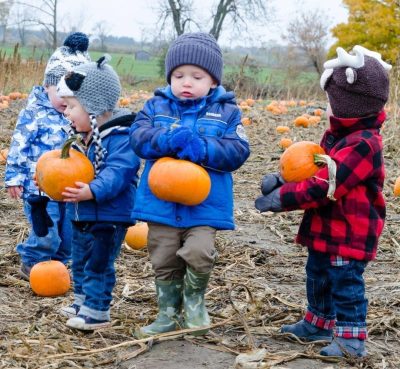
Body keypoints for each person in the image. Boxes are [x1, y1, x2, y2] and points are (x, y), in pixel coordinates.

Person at [255, 45, 391, 357]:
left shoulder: (364, 145)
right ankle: (318, 323)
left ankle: (350, 340)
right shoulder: (339, 137)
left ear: (350, 105)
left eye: (331, 102)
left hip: (349, 232)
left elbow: (325, 185)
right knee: (317, 275)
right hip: (327, 229)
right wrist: (283, 179)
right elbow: (313, 167)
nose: (327, 109)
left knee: (345, 284)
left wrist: (282, 199)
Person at [130, 32, 250, 338]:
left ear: (212, 81)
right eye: (179, 75)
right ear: (169, 77)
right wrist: (166, 139)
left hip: (204, 204)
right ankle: (167, 312)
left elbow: (238, 151)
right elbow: (138, 138)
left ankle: (194, 301)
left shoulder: (227, 112)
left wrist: (204, 148)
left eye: (197, 76)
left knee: (199, 251)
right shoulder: (155, 107)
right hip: (162, 203)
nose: (186, 82)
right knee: (163, 256)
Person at [54, 55, 140, 331]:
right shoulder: (82, 139)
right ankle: (82, 301)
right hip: (82, 211)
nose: (66, 112)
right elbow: (64, 169)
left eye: (71, 106)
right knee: (79, 261)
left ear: (92, 107)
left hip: (109, 216)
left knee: (98, 264)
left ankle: (97, 310)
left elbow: (118, 172)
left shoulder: (121, 137)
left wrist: (93, 190)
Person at [5, 32, 91, 280]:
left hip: (70, 189)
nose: (66, 100)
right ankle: (32, 260)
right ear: (47, 86)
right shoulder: (34, 112)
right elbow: (19, 144)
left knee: (67, 236)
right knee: (47, 233)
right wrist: (13, 177)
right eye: (60, 92)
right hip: (40, 188)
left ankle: (57, 268)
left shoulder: (79, 116)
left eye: (73, 95)